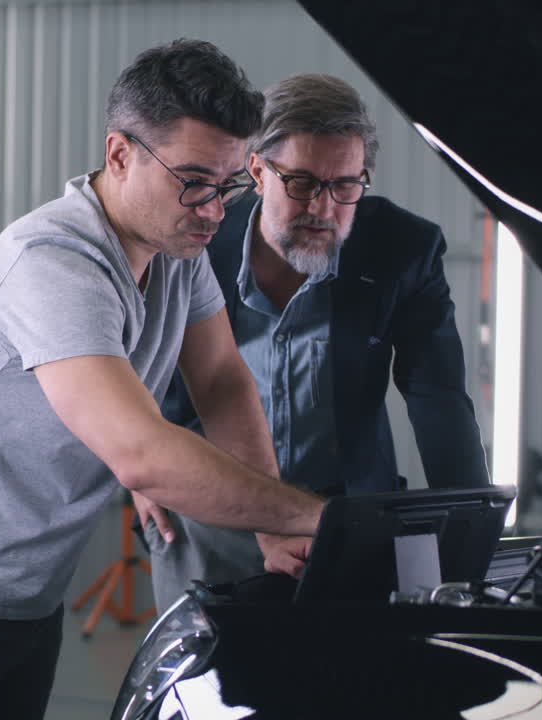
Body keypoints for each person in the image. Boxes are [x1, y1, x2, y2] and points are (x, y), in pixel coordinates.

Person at [0, 40, 323, 720]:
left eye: (227, 186)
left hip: (30, 584)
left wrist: (272, 530)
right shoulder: (54, 266)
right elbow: (140, 451)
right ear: (121, 155)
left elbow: (220, 380)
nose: (214, 211)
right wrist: (310, 516)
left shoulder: (175, 248)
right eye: (193, 180)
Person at [134, 73, 491, 608]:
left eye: (345, 185)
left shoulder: (404, 249)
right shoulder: (195, 242)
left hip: (341, 517)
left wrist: (472, 535)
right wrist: (138, 473)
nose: (323, 208)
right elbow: (133, 361)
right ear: (256, 171)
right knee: (206, 682)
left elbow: (437, 395)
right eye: (301, 183)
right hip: (209, 513)